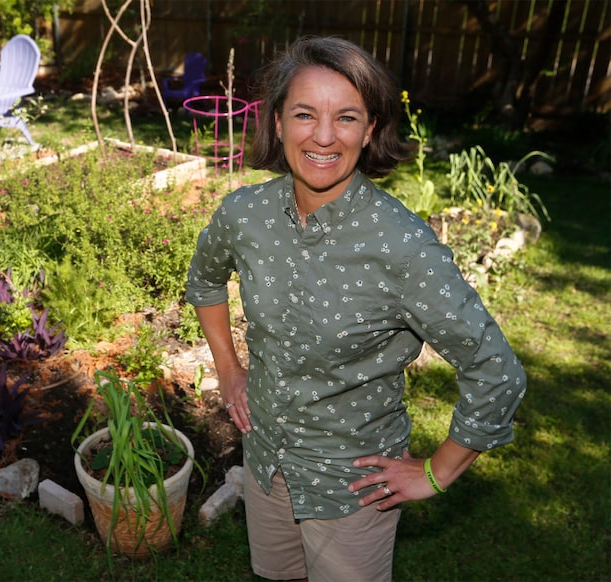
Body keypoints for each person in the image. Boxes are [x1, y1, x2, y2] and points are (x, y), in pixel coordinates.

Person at [185, 36, 526, 582]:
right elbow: (203, 280)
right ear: (276, 122)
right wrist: (228, 370)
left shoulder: (402, 246)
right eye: (304, 114)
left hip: (354, 489)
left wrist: (437, 473)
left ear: (369, 131)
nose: (323, 136)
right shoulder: (244, 214)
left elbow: (496, 371)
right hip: (267, 459)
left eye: (345, 117)